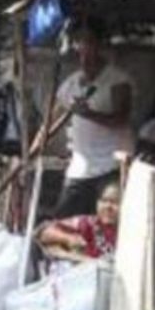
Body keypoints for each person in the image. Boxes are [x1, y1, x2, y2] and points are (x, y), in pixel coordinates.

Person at [53, 20, 134, 218]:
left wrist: (89, 114)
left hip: (110, 167)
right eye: (79, 42)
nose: (83, 48)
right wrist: (30, 152)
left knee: (110, 224)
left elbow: (121, 120)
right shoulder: (70, 84)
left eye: (88, 42)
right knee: (62, 221)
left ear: (100, 45)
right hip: (79, 169)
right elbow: (51, 123)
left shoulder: (117, 80)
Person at [38, 180, 121, 260]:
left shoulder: (129, 233)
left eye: (115, 202)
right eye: (104, 200)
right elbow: (45, 232)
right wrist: (68, 238)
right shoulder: (88, 223)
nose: (108, 207)